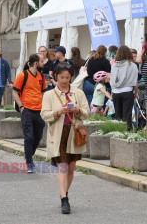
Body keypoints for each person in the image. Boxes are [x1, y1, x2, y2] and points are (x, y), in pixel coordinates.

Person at [40, 63, 90, 214]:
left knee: (71, 167)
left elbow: (87, 113)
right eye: (61, 77)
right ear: (55, 76)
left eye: (67, 77)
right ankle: (64, 200)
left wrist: (78, 110)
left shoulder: (78, 93)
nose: (64, 80)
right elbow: (44, 114)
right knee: (63, 167)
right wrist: (58, 112)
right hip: (58, 134)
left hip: (74, 134)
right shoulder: (49, 94)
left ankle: (64, 193)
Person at [12, 54, 46, 173]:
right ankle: (29, 162)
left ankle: (29, 155)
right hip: (26, 110)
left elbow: (42, 92)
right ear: (36, 63)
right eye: (42, 61)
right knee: (29, 136)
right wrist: (21, 106)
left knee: (38, 135)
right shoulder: (23, 75)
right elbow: (15, 92)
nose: (44, 63)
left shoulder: (41, 76)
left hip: (38, 110)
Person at [110, 46, 139, 130]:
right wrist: (135, 93)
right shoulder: (132, 65)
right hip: (127, 91)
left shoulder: (114, 65)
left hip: (116, 92)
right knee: (127, 115)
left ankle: (117, 134)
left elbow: (112, 78)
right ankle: (126, 135)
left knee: (118, 116)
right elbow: (135, 81)